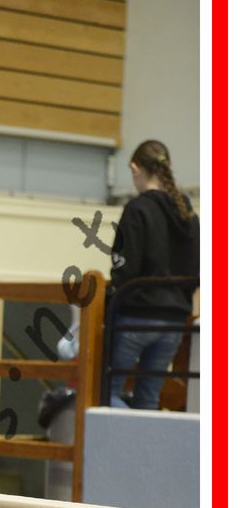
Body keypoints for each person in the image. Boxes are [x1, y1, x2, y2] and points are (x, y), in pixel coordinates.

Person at [107, 140, 200, 409]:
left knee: (107, 394)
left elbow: (125, 268)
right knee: (148, 397)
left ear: (135, 169)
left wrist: (114, 295)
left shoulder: (137, 210)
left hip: (136, 316)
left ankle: (121, 436)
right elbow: (197, 268)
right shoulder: (188, 215)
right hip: (174, 320)